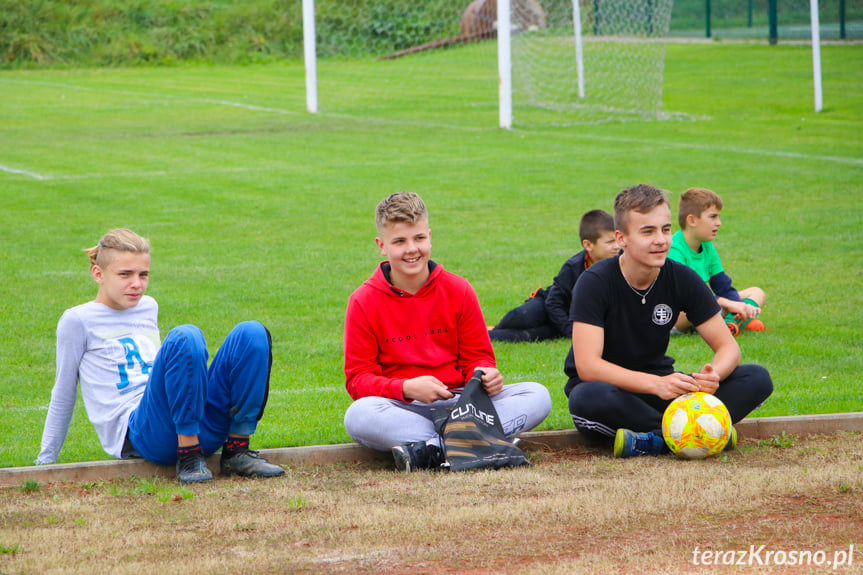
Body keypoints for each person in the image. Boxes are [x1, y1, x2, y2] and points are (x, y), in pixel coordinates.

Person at [35, 229, 285, 484]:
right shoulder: (77, 320)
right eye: (125, 274)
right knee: (186, 336)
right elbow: (64, 391)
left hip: (196, 423)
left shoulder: (147, 306)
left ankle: (237, 451)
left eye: (143, 275)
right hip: (145, 433)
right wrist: (45, 462)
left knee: (252, 333)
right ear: (98, 274)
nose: (137, 284)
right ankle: (188, 456)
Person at [343, 192, 552, 471]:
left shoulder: (458, 289)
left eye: (419, 238)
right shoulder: (363, 300)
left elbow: (479, 357)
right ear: (382, 246)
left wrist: (485, 375)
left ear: (429, 236)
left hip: (464, 403)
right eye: (399, 241)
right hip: (403, 408)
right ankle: (477, 444)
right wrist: (406, 387)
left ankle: (433, 450)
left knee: (537, 396)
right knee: (359, 416)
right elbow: (358, 379)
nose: (411, 249)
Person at [564, 184, 773, 458]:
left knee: (756, 377)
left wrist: (713, 376)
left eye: (665, 229)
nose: (661, 240)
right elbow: (588, 366)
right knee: (587, 398)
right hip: (612, 392)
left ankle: (655, 439)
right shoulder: (595, 282)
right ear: (621, 238)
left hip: (664, 389)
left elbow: (728, 348)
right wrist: (654, 385)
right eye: (647, 231)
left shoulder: (682, 277)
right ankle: (701, 434)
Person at [488, 209, 618, 343]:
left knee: (528, 336)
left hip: (567, 319)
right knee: (521, 316)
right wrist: (570, 331)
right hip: (547, 306)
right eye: (610, 242)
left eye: (617, 240)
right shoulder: (573, 267)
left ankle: (487, 335)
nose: (617, 246)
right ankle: (488, 330)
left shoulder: (622, 265)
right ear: (588, 245)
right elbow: (553, 302)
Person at [668, 187, 766, 335]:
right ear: (692, 220)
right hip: (678, 315)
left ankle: (733, 321)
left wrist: (738, 305)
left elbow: (723, 286)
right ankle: (733, 321)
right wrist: (728, 303)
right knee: (696, 305)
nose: (719, 223)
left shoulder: (707, 245)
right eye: (713, 217)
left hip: (707, 304)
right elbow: (687, 296)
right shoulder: (674, 250)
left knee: (757, 292)